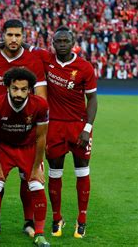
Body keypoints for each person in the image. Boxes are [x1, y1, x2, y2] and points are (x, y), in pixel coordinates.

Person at [0, 19, 47, 237]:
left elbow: (41, 98)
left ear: (24, 36)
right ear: (2, 35)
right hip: (0, 134)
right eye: (9, 35)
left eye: (18, 35)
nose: (14, 39)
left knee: (30, 180)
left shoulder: (33, 59)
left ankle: (29, 222)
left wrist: (29, 115)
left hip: (27, 134)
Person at [32, 26, 98, 238]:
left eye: (65, 41)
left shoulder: (84, 67)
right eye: (57, 41)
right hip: (55, 127)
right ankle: (56, 218)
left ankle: (82, 220)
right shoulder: (46, 58)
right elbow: (23, 47)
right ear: (52, 42)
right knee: (55, 172)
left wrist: (87, 128)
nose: (61, 45)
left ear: (73, 42)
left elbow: (93, 99)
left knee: (82, 171)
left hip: (78, 126)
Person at [0, 67, 50, 247]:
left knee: (36, 184)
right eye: (15, 89)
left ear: (30, 90)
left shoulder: (40, 105)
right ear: (7, 87)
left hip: (29, 148)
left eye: (23, 89)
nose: (18, 93)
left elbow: (41, 137)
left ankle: (40, 233)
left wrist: (36, 168)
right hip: (3, 148)